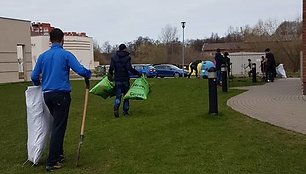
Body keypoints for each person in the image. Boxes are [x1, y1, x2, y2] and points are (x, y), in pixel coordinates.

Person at [31, 28, 91, 172]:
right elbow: (81, 70)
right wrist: (88, 74)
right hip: (61, 95)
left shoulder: (43, 56)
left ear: (50, 40)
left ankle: (59, 154)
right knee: (58, 127)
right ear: (62, 39)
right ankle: (52, 161)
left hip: (48, 95)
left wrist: (39, 85)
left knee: (57, 125)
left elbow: (34, 76)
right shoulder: (65, 55)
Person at [108, 44, 141, 118]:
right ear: (125, 49)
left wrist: (110, 75)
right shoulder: (127, 57)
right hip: (125, 79)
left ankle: (116, 107)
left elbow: (111, 68)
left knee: (118, 96)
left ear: (119, 49)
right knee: (126, 96)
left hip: (117, 79)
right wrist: (138, 73)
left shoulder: (114, 57)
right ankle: (125, 111)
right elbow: (129, 68)